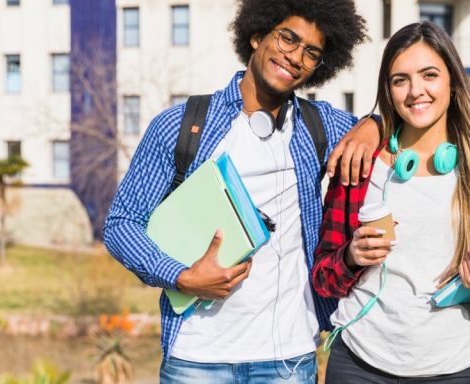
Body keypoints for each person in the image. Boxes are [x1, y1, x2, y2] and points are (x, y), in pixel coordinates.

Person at [103, 1, 377, 382]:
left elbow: (396, 130)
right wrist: (181, 277)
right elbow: (121, 226)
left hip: (289, 360)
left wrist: (372, 125)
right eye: (288, 38)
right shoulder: (181, 126)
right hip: (196, 360)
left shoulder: (322, 125)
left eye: (311, 53)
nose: (295, 57)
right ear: (256, 34)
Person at [312, 22, 470, 382]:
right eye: (399, 80)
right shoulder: (360, 165)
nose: (415, 91)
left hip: (454, 368)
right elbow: (324, 279)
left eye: (429, 75)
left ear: (452, 81)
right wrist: (351, 257)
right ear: (388, 91)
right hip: (358, 365)